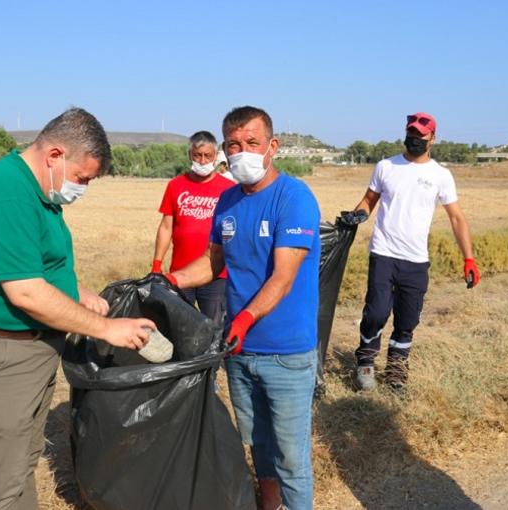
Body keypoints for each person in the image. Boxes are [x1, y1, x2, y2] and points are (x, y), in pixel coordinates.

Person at [0, 107, 155, 510]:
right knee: (0, 488)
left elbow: (34, 265)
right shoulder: (8, 195)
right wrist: (107, 329)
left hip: (24, 352)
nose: (82, 188)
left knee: (20, 462)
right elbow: (26, 292)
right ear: (55, 155)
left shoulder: (37, 190)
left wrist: (76, 291)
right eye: (82, 178)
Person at [167, 106, 321, 510]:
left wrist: (246, 318)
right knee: (258, 444)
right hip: (239, 350)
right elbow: (213, 261)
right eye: (234, 145)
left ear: (273, 146)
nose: (243, 152)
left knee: (291, 456)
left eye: (252, 142)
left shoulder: (294, 198)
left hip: (286, 352)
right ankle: (269, 504)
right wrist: (172, 280)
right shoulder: (227, 201)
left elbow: (283, 276)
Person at [352, 112, 480, 391]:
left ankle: (396, 369)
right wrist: (357, 216)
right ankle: (366, 361)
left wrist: (469, 258)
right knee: (376, 313)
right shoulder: (386, 166)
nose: (415, 138)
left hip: (416, 259)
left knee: (408, 319)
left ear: (432, 138)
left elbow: (456, 218)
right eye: (411, 133)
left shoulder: (440, 175)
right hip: (383, 253)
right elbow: (368, 201)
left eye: (421, 135)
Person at [151, 131, 235, 325]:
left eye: (208, 155)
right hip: (180, 273)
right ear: (190, 155)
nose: (202, 161)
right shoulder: (175, 186)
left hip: (215, 274)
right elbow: (166, 227)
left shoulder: (228, 189)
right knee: (180, 327)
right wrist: (156, 264)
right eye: (197, 155)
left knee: (213, 328)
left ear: (216, 156)